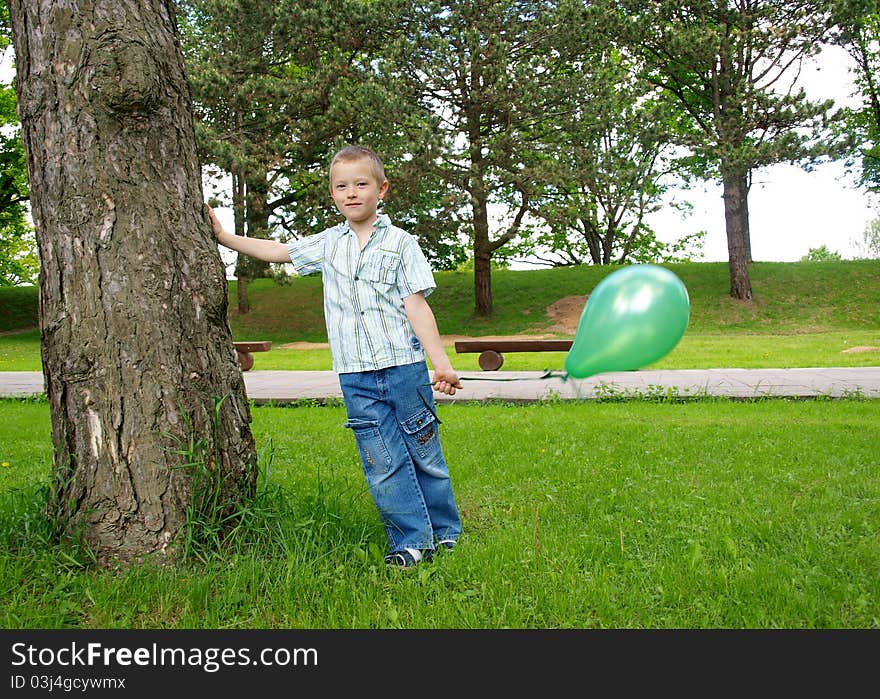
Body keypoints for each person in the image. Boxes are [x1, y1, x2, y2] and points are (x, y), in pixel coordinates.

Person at [206, 145, 463, 568]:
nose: (351, 193)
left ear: (382, 189)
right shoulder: (329, 243)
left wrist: (442, 364)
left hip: (403, 368)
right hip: (356, 376)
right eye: (341, 186)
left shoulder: (401, 244)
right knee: (382, 462)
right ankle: (411, 543)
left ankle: (445, 533)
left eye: (361, 184)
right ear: (333, 195)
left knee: (425, 455)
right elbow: (279, 251)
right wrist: (224, 238)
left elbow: (416, 305)